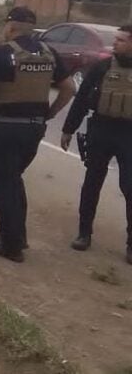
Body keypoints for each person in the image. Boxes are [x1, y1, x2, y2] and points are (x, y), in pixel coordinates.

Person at [0, 6, 75, 263]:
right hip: (33, 130)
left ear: (11, 26)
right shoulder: (49, 53)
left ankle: (11, 245)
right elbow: (69, 88)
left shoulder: (1, 52)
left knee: (4, 184)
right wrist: (50, 114)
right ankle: (17, 237)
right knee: (13, 180)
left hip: (4, 129)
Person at [60, 24, 132, 265]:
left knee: (130, 187)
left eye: (121, 40)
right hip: (101, 129)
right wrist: (68, 128)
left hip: (128, 134)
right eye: (116, 39)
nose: (115, 44)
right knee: (92, 183)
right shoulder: (102, 67)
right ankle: (84, 233)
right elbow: (81, 98)